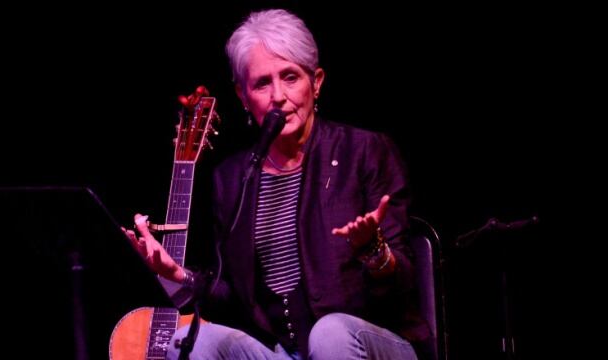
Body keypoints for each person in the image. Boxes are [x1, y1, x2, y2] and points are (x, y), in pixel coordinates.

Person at [124, 8, 428, 360]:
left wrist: (374, 251)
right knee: (195, 342)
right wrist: (177, 274)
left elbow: (405, 284)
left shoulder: (363, 151)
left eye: (290, 77)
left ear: (316, 82)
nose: (278, 96)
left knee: (329, 334)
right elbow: (234, 298)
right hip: (285, 352)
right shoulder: (232, 178)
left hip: (371, 341)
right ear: (242, 96)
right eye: (262, 83)